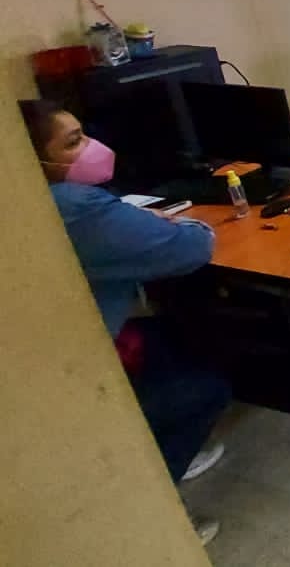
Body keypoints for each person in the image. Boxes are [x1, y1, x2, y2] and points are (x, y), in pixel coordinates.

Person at [20, 100, 230, 545]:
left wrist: (133, 223)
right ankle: (156, 498)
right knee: (206, 390)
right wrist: (185, 225)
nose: (92, 147)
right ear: (30, 162)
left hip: (60, 348)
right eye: (73, 142)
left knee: (171, 333)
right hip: (71, 372)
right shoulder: (74, 206)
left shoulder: (35, 201)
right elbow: (193, 248)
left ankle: (161, 444)